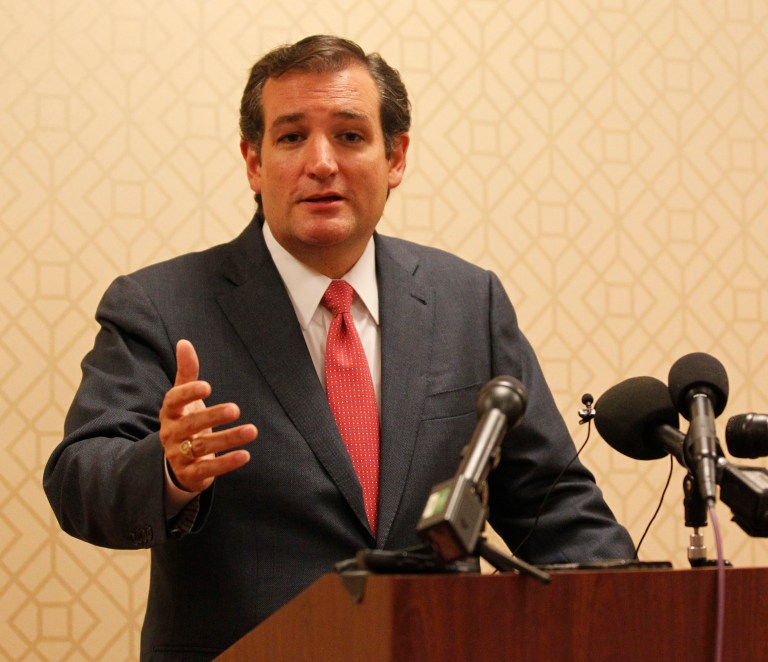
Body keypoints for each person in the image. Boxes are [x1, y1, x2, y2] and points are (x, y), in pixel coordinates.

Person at [43, 34, 635, 660]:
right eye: (292, 136)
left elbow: (555, 509)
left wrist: (637, 615)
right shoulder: (161, 305)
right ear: (253, 161)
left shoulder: (470, 302)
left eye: (350, 136)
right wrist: (167, 471)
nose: (321, 162)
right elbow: (79, 479)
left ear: (396, 157)